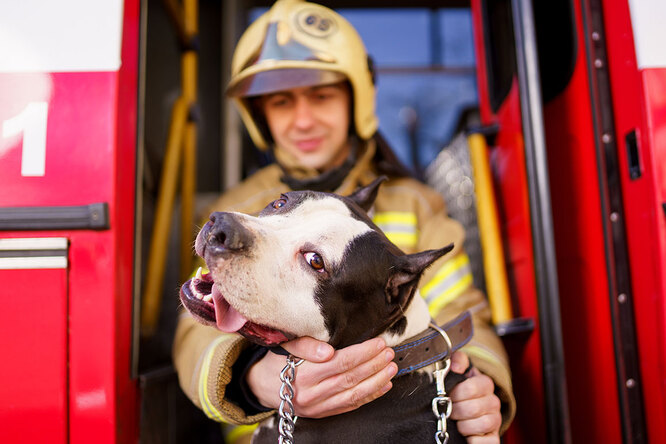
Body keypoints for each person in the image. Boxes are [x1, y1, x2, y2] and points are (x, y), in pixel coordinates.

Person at [172, 1, 515, 442]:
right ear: (260, 117)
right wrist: (255, 381)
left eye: (321, 96)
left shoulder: (414, 205)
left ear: (357, 100)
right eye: (280, 102)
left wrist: (483, 385)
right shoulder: (239, 207)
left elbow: (464, 314)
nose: (303, 120)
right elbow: (191, 332)